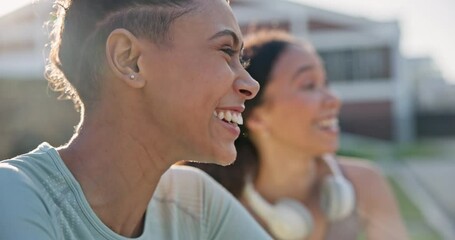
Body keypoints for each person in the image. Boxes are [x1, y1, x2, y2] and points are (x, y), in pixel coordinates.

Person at [0, 0, 272, 239]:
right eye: (225, 51)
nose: (251, 85)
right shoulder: (12, 197)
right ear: (128, 59)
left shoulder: (194, 203)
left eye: (242, 61)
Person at [184, 30, 409, 240]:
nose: (334, 99)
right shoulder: (211, 207)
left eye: (326, 83)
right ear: (256, 116)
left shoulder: (366, 184)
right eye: (309, 85)